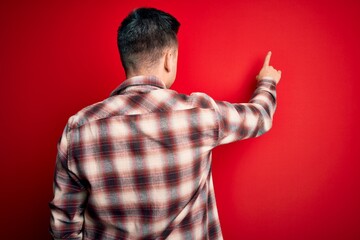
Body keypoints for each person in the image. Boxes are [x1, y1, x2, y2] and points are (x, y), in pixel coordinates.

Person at [49, 7, 281, 240]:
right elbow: (260, 116)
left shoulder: (78, 129)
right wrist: (267, 82)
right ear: (169, 59)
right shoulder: (199, 115)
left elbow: (64, 228)